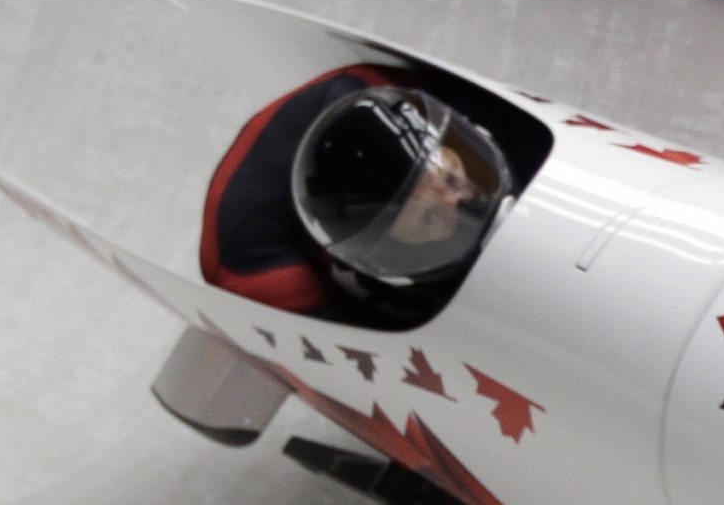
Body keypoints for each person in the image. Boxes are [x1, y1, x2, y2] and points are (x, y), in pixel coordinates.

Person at [201, 64, 512, 326]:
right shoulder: (261, 277)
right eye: (429, 218)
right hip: (262, 263)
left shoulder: (385, 92)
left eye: (453, 179)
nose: (462, 208)